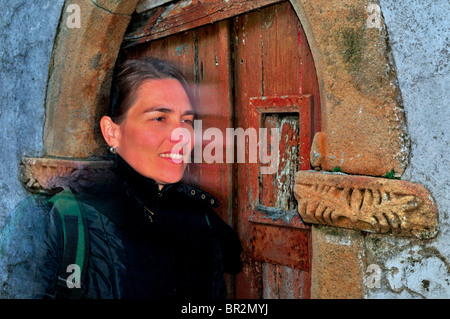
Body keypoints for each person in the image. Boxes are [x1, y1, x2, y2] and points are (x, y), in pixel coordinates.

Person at [0, 57, 242, 299]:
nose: (180, 135)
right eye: (159, 118)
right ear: (112, 132)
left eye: (187, 120)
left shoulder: (201, 222)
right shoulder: (51, 221)